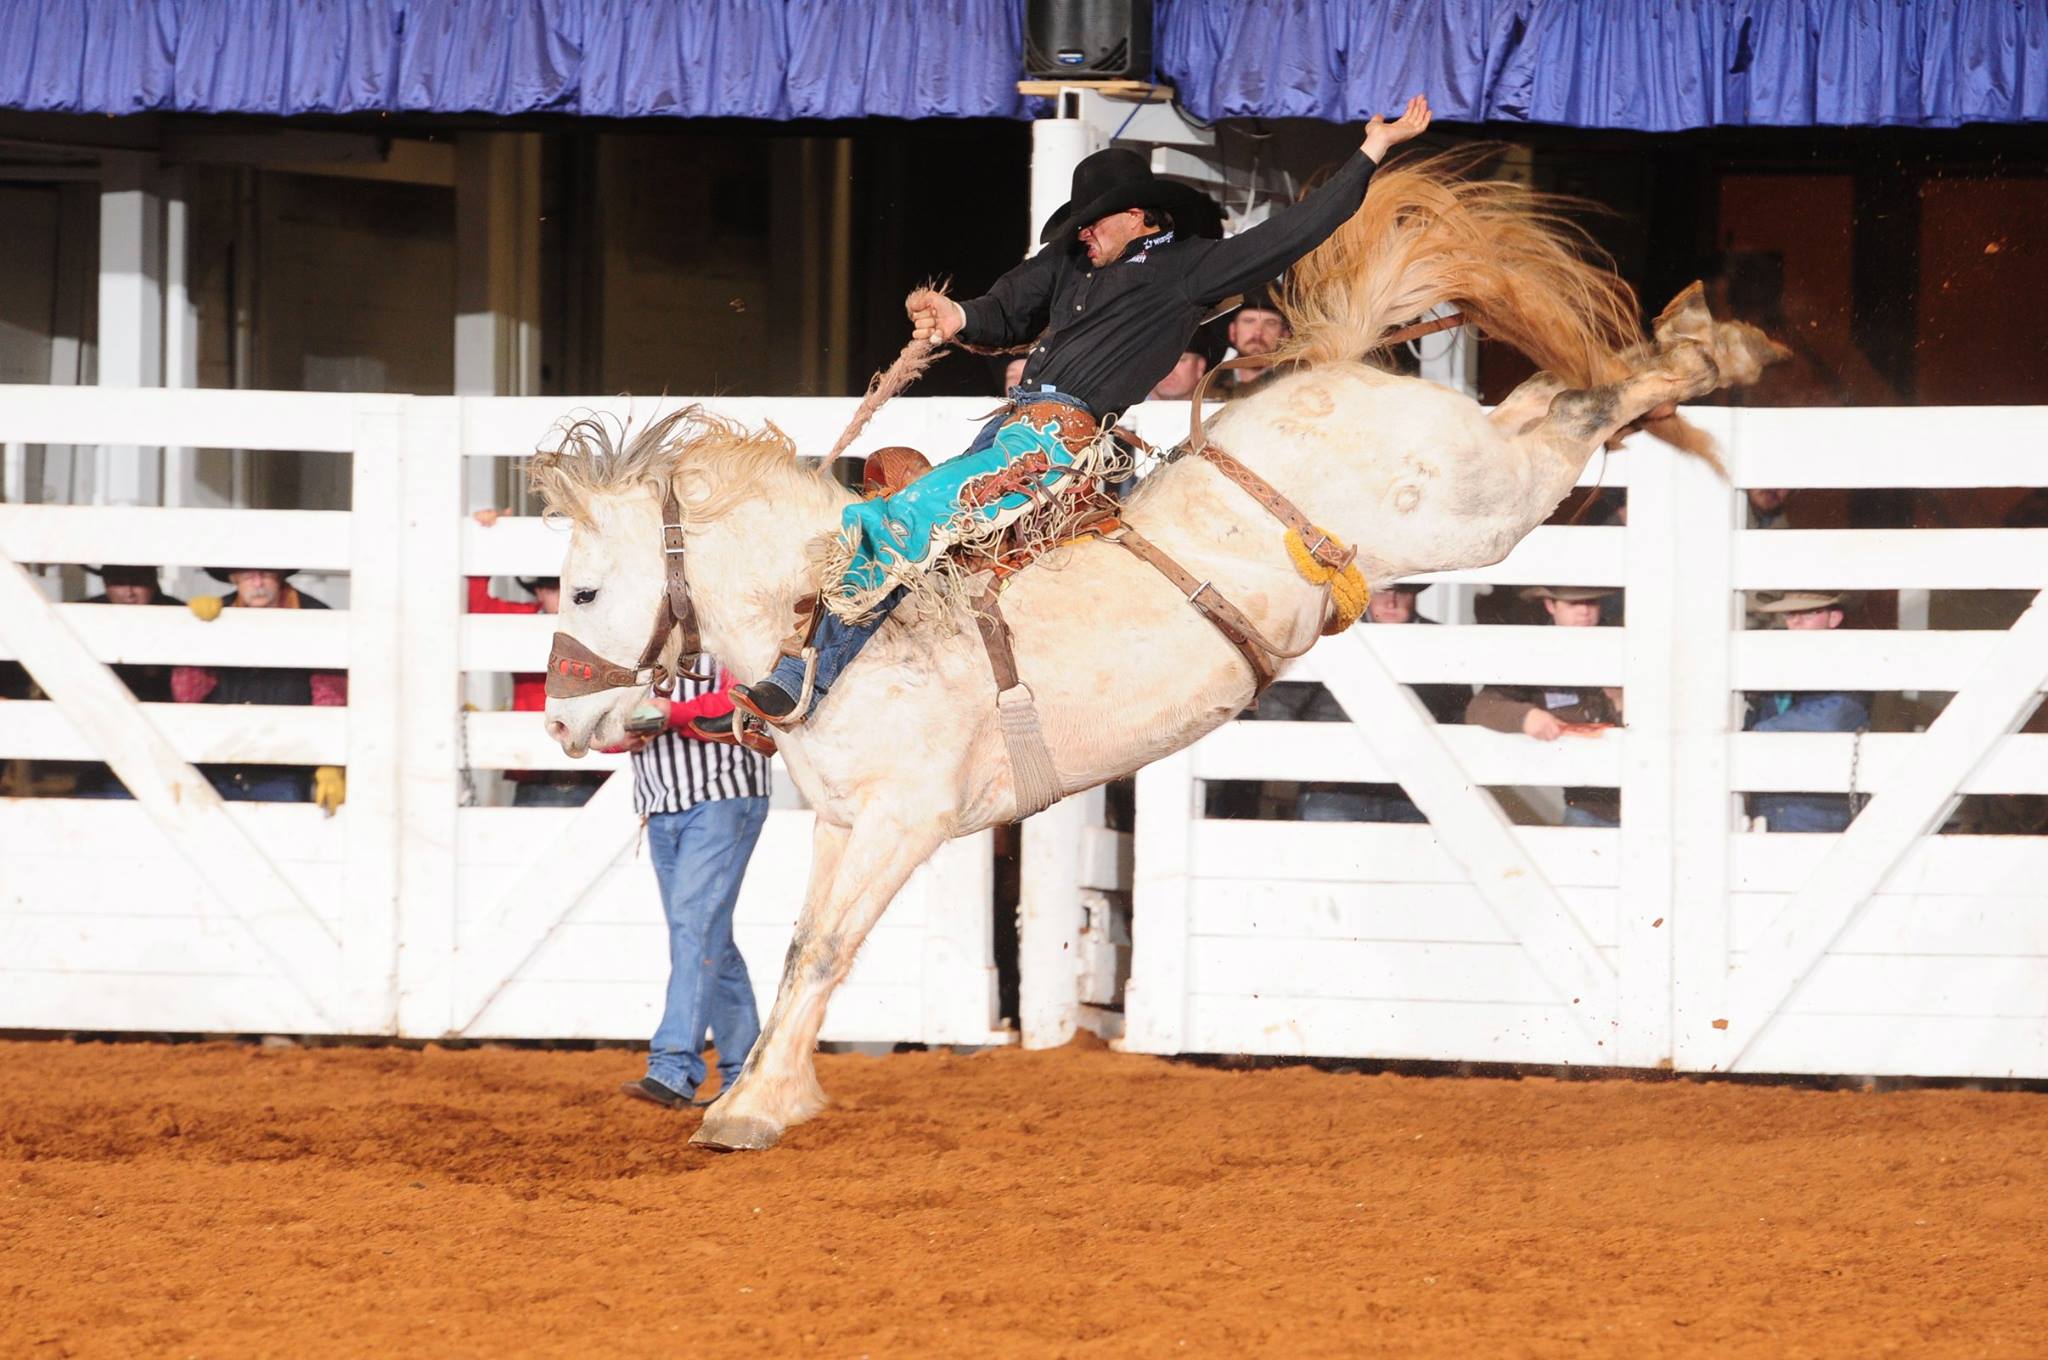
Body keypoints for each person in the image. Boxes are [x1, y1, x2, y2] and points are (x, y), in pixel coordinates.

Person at [729, 95, 1435, 732]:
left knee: (901, 522)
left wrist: (1372, 149)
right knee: (912, 534)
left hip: (1053, 446)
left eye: (1091, 222)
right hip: (1013, 437)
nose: (1080, 235)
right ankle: (828, 690)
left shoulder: (1189, 268)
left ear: (1139, 216)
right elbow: (1003, 306)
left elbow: (1294, 232)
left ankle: (799, 682)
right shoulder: (1069, 263)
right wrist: (955, 314)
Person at [613, 662, 773, 1110]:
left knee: (694, 928)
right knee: (706, 935)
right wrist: (617, 737)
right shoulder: (637, 640)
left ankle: (673, 1066)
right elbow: (604, 721)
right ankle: (745, 1077)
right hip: (664, 800)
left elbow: (743, 699)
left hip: (723, 791)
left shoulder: (724, 631)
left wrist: (673, 714)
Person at [1253, 583, 1468, 822]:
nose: (1391, 602)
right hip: (1337, 792)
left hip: (1413, 792)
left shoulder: (1441, 642)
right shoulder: (1331, 636)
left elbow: (1459, 716)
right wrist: (1312, 766)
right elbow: (1277, 706)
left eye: (1403, 592)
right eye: (1383, 591)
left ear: (1415, 595)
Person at [467, 507, 609, 807]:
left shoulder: (605, 627)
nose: (559, 596)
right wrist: (487, 536)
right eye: (550, 587)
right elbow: (477, 601)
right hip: (535, 769)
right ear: (538, 591)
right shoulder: (520, 620)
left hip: (596, 770)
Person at [175, 567, 347, 809]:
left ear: (279, 576)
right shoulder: (218, 614)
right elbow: (187, 694)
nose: (257, 583)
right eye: (247, 575)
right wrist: (196, 636)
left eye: (265, 574)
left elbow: (332, 697)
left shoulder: (315, 616)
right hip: (220, 761)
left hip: (288, 766)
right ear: (233, 578)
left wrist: (330, 759)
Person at [1465, 585, 1623, 828]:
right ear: (1551, 605)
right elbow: (1483, 705)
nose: (1584, 611)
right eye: (1573, 604)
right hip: (1587, 805)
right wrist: (1526, 716)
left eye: (1591, 602)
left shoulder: (1620, 644)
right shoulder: (1535, 653)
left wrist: (1620, 702)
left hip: (1643, 795)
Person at [1743, 591, 1871, 833]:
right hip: (1770, 802)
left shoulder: (1850, 662)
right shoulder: (1776, 665)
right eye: (1790, 614)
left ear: (1834, 619)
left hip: (1820, 807)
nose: (1796, 621)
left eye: (1808, 614)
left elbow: (1832, 718)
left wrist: (1757, 732)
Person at [70, 564, 184, 798]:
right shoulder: (83, 614)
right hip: (101, 728)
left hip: (164, 730)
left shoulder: (178, 615)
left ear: (153, 581)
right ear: (106, 584)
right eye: (119, 583)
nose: (129, 593)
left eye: (138, 582)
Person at [1219, 284, 1293, 402]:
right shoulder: (1205, 386)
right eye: (1249, 321)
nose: (1258, 332)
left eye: (1270, 323)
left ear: (1285, 335)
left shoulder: (1298, 386)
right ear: (1233, 331)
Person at [1146, 317, 1230, 402]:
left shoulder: (1224, 412)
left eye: (1180, 360)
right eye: (1159, 359)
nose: (1168, 369)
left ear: (1200, 367)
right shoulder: (1132, 411)